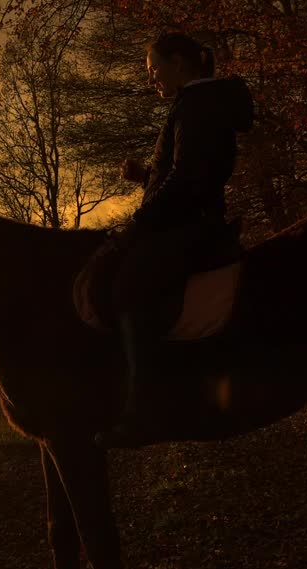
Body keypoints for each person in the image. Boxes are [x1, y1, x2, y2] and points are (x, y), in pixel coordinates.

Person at [94, 32, 254, 449]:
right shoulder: (199, 103)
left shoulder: (198, 105)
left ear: (180, 63)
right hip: (189, 218)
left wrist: (139, 223)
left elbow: (188, 180)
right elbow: (190, 174)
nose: (151, 80)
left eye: (154, 69)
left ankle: (148, 410)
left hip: (191, 226)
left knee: (128, 286)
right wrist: (146, 178)